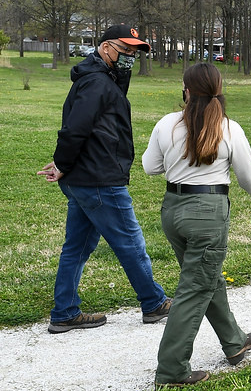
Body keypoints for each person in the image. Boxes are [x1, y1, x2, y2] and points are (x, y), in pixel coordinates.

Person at [38, 25, 172, 333]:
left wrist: (65, 165)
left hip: (86, 177)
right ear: (104, 47)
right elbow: (75, 129)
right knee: (130, 243)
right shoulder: (97, 83)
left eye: (134, 52)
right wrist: (61, 163)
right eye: (125, 50)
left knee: (77, 246)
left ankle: (65, 312)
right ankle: (154, 303)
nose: (130, 57)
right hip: (99, 179)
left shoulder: (102, 80)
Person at [142, 62, 251, 387]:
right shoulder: (228, 128)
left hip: (172, 211)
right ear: (219, 89)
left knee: (204, 277)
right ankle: (170, 370)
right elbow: (249, 179)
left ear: (185, 90)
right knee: (194, 287)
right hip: (207, 214)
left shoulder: (167, 124)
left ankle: (235, 341)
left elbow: (150, 167)